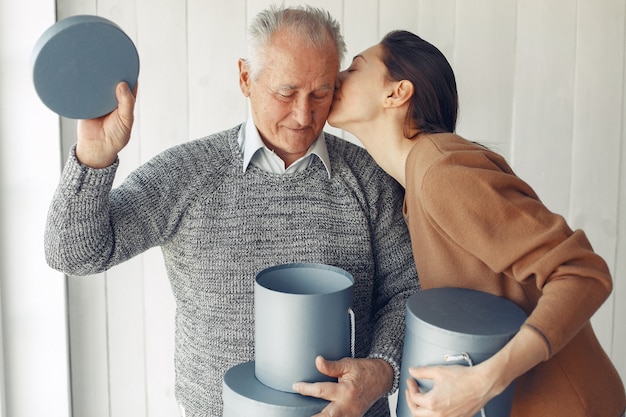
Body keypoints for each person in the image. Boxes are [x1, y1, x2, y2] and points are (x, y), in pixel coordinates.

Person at [44, 7, 419, 417]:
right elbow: (74, 254)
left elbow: (408, 290)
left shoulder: (370, 178)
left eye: (320, 93)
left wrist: (381, 371)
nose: (303, 115)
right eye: (285, 92)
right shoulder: (187, 173)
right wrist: (92, 160)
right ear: (245, 78)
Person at [328, 29, 626, 417]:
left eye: (354, 68)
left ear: (396, 93)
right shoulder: (417, 182)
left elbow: (582, 271)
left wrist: (484, 381)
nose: (338, 76)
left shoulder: (442, 171)